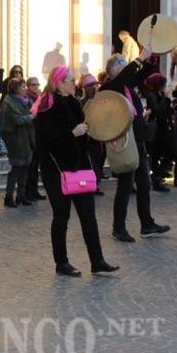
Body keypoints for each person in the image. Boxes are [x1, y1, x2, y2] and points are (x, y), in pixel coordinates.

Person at [33, 65, 119, 276]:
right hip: (57, 170)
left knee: (89, 216)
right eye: (71, 80)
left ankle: (97, 260)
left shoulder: (74, 103)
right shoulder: (46, 106)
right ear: (60, 82)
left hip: (79, 167)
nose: (75, 83)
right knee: (61, 216)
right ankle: (61, 263)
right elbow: (46, 141)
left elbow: (84, 135)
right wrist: (72, 133)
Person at [100, 49, 171, 242]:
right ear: (112, 71)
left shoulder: (128, 88)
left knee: (144, 184)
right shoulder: (110, 87)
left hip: (138, 141)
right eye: (122, 67)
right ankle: (118, 228)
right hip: (124, 142)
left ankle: (147, 224)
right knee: (124, 186)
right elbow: (125, 77)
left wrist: (151, 58)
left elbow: (141, 75)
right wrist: (139, 57)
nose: (126, 71)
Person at [0, 78, 34, 207]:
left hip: (26, 138)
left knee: (25, 168)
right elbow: (17, 120)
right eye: (23, 86)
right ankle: (9, 197)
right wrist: (31, 117)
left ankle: (21, 195)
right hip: (15, 140)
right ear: (16, 89)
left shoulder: (27, 101)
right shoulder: (9, 103)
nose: (25, 88)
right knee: (16, 168)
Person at [143, 73, 172, 192]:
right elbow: (158, 110)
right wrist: (165, 98)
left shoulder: (161, 95)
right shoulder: (151, 95)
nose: (165, 86)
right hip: (155, 131)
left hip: (163, 129)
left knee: (168, 153)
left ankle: (158, 176)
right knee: (155, 156)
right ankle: (156, 180)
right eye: (164, 84)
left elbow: (167, 112)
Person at [24, 76, 46, 201]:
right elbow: (31, 114)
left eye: (37, 84)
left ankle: (34, 190)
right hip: (30, 134)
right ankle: (28, 192)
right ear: (28, 86)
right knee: (30, 165)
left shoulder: (39, 98)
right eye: (33, 85)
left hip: (39, 134)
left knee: (36, 164)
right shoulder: (26, 99)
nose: (36, 87)